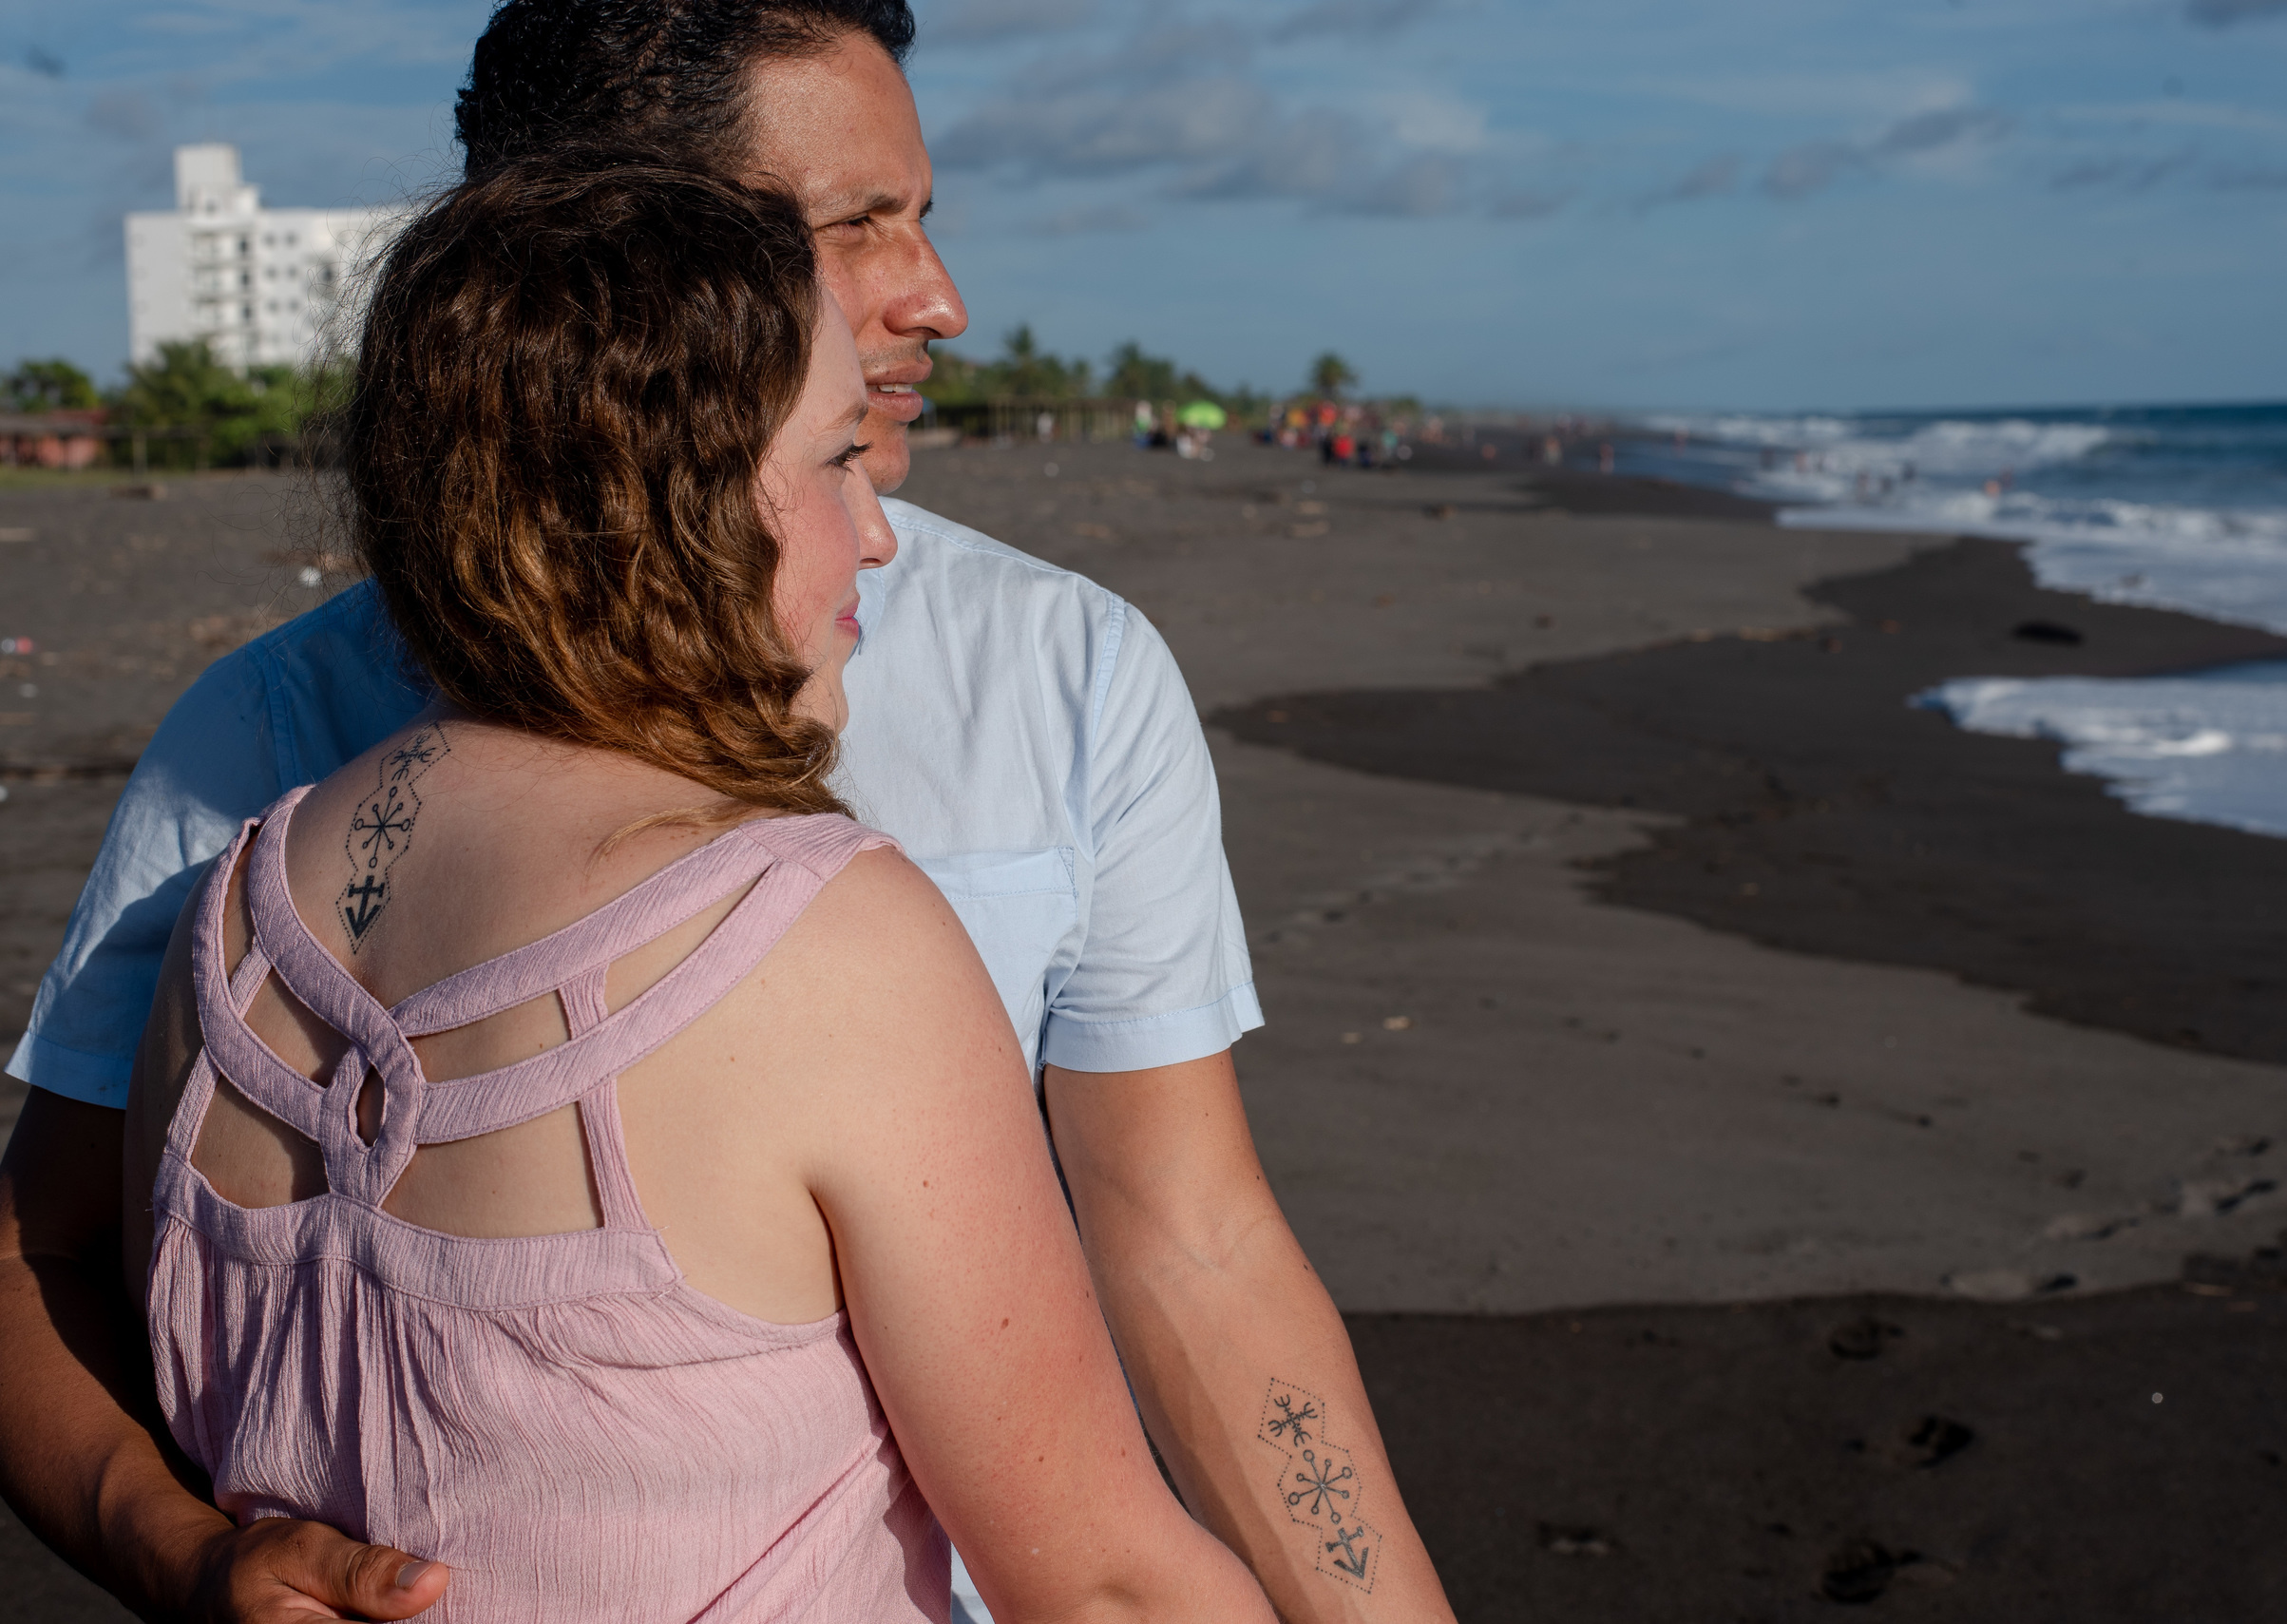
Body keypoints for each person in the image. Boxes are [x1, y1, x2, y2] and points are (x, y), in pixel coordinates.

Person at [0, 4, 1458, 1623]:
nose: (940, 297)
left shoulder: (1064, 666)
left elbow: (1194, 1244)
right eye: (855, 225)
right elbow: (36, 1243)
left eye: (926, 216)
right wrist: (177, 1546)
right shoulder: (263, 739)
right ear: (620, 266)